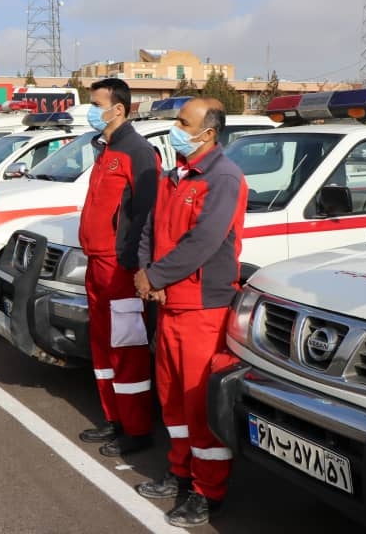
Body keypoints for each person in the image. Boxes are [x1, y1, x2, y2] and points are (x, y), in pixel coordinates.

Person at [133, 98, 247, 528]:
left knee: (199, 407)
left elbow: (204, 242)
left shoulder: (223, 178)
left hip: (202, 308)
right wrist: (148, 273)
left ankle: (207, 491)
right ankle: (180, 472)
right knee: (173, 400)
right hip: (169, 306)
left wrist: (156, 277)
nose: (174, 128)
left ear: (209, 134)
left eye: (183, 122)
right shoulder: (173, 177)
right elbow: (149, 230)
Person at [77, 78, 159, 458]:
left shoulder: (138, 152)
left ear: (119, 109)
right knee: (102, 345)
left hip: (119, 268)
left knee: (126, 348)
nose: (92, 110)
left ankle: (137, 428)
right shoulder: (106, 149)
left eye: (96, 104)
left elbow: (146, 214)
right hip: (96, 263)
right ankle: (115, 418)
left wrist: (135, 263)